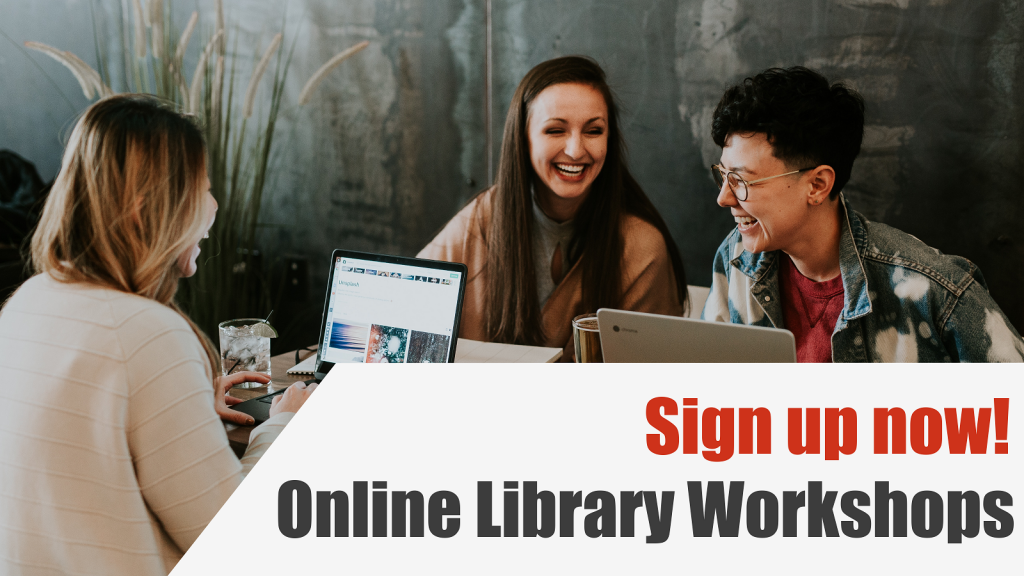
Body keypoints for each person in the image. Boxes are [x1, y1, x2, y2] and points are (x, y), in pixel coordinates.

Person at [0, 95, 316, 575]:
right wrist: (282, 425)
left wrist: (179, 407)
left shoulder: (28, 301)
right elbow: (232, 541)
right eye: (202, 189)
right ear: (146, 209)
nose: (213, 206)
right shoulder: (148, 334)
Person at [701, 66, 1024, 362]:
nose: (724, 198)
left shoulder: (933, 289)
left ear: (817, 184)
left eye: (743, 180)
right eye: (723, 175)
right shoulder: (737, 257)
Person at [419, 56, 687, 359]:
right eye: (555, 131)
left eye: (593, 131)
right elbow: (405, 311)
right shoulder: (483, 217)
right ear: (524, 138)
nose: (575, 150)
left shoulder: (641, 248)